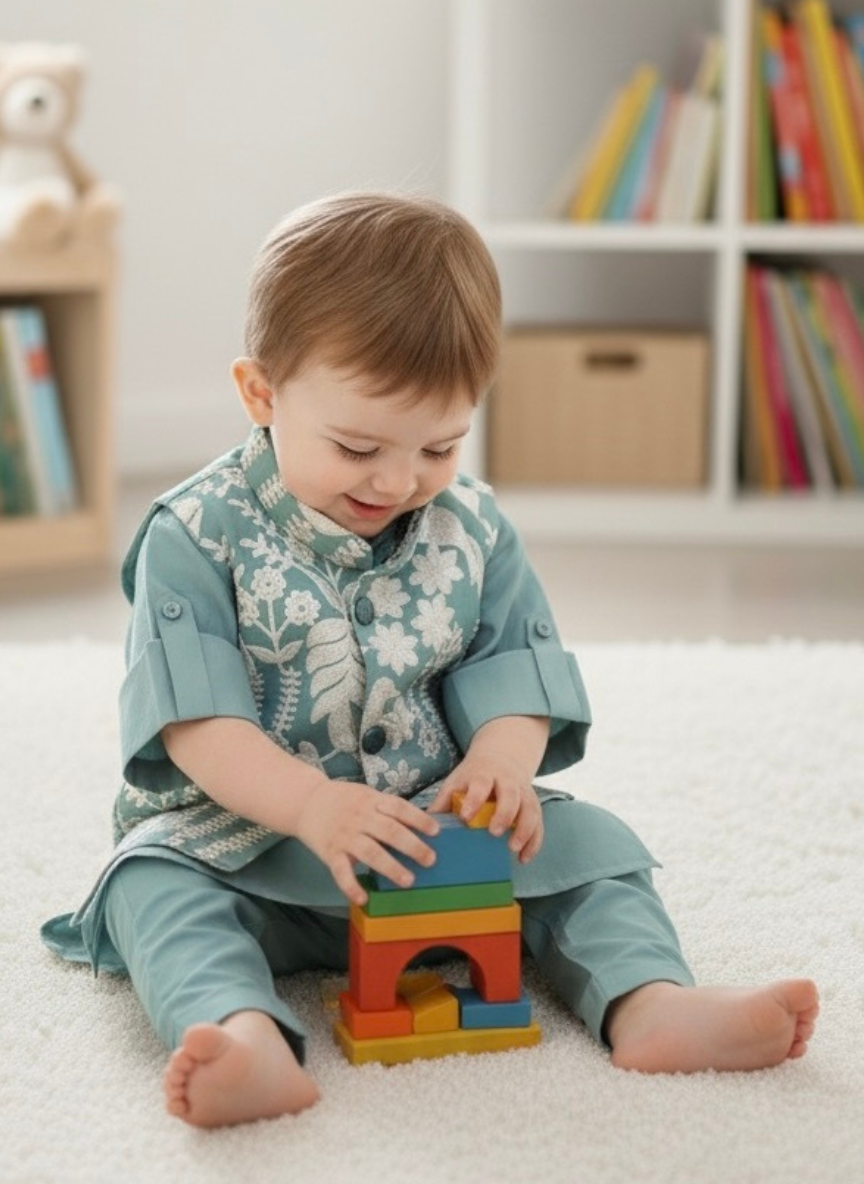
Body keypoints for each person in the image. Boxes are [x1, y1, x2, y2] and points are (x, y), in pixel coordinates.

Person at [41, 192, 819, 1128]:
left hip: (437, 845)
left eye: (440, 446)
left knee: (596, 854)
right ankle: (243, 1033)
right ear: (262, 393)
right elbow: (199, 722)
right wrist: (313, 806)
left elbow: (515, 672)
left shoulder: (474, 527)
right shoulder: (194, 537)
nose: (397, 481)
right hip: (253, 846)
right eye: (358, 446)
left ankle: (650, 1003)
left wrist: (499, 766)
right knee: (148, 883)